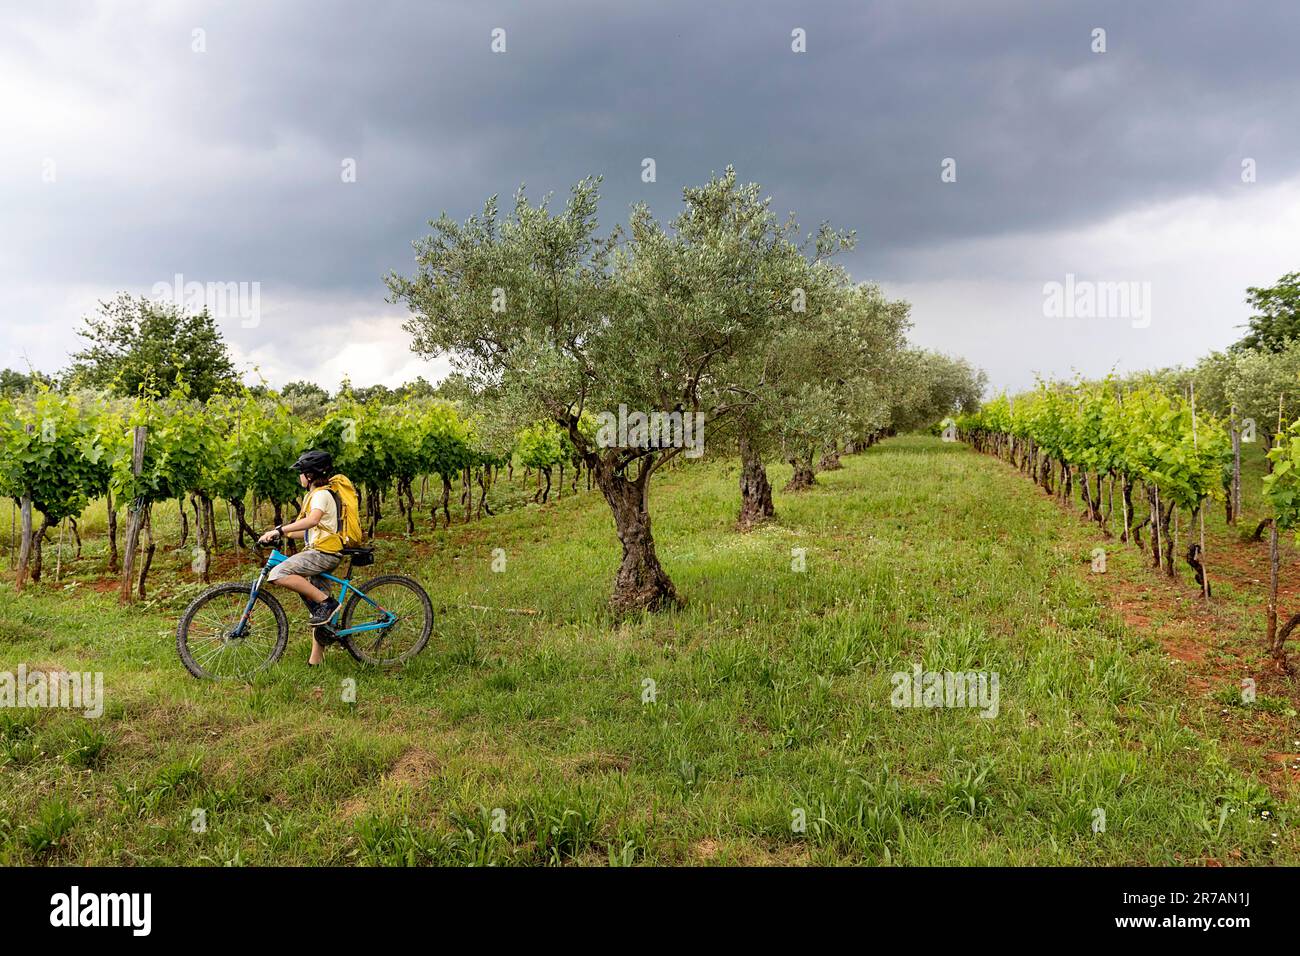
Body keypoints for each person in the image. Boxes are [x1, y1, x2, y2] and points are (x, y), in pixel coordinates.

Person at [258, 449, 343, 666]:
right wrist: (279, 533)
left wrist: (279, 529)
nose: (299, 476)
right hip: (319, 550)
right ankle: (315, 662)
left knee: (279, 572)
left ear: (310, 475)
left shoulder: (321, 494)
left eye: (301, 472)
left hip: (323, 553)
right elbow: (305, 530)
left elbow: (312, 521)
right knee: (318, 612)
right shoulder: (314, 496)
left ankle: (329, 603)